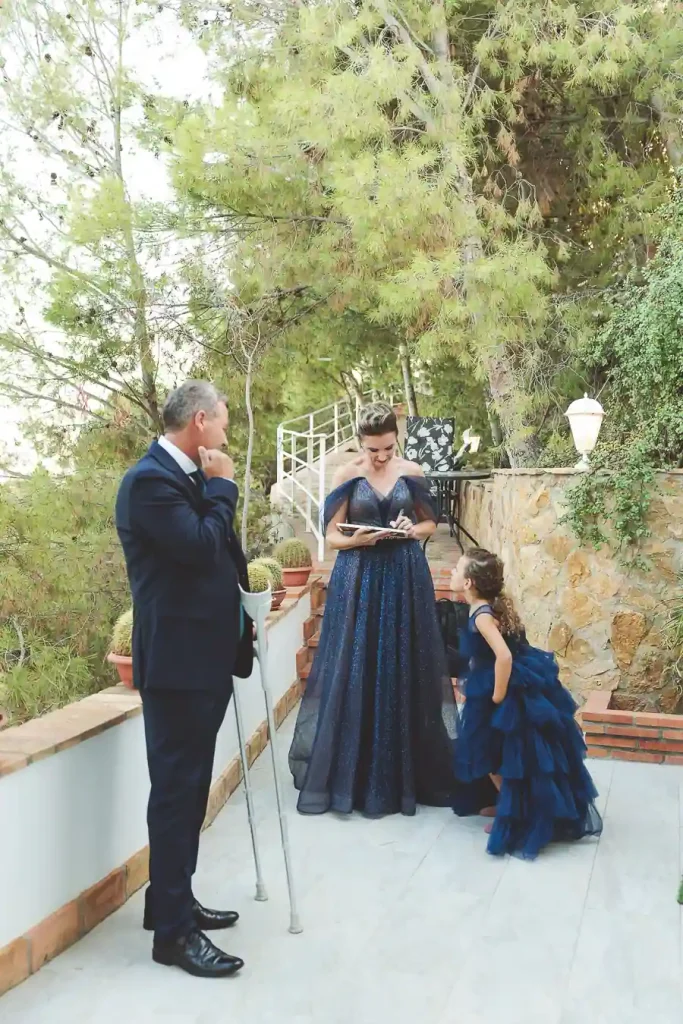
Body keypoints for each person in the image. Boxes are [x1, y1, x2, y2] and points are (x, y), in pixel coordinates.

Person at [288, 402, 491, 817]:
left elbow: (430, 523)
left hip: (403, 576)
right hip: (359, 578)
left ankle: (404, 772)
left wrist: (410, 529)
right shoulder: (347, 475)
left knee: (404, 663)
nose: (380, 457)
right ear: (359, 443)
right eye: (372, 450)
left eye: (387, 448)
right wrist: (357, 540)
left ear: (396, 439)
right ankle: (357, 773)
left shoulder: (411, 471)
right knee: (357, 664)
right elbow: (331, 536)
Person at [115, 380, 253, 978]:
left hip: (203, 658)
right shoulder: (149, 482)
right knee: (177, 793)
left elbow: (218, 553)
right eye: (222, 420)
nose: (226, 431)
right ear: (199, 420)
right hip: (177, 665)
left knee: (189, 788)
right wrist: (224, 487)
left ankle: (169, 901)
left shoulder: (185, 476)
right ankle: (172, 936)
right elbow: (199, 547)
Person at [450, 547, 603, 859]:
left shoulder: (482, 616)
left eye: (456, 569)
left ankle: (518, 813)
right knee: (498, 751)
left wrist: (497, 695)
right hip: (502, 680)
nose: (452, 572)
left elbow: (504, 656)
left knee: (491, 751)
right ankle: (509, 803)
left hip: (501, 687)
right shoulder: (487, 607)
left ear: (468, 583)